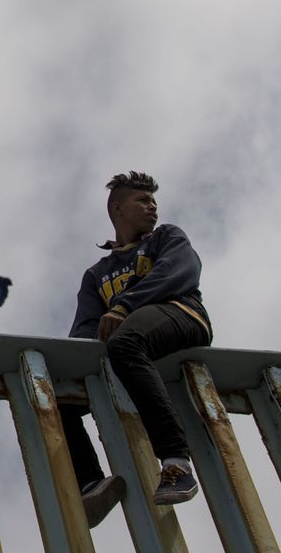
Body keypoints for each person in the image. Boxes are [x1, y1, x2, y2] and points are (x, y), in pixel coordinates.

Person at [62, 171, 213, 525]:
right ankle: (90, 483)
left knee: (127, 341)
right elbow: (87, 328)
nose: (153, 207)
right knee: (60, 397)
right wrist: (68, 370)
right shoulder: (96, 273)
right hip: (128, 340)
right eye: (143, 201)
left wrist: (125, 304)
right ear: (118, 208)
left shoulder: (166, 237)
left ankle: (176, 463)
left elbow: (180, 271)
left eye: (154, 201)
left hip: (181, 315)